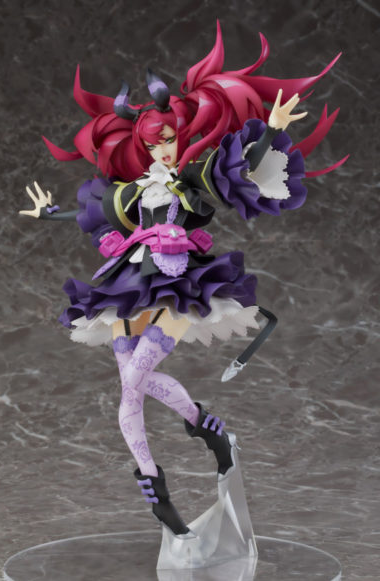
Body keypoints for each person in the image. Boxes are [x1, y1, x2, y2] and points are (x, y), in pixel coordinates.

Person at [19, 22, 345, 536]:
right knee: (130, 391)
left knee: (133, 383)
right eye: (155, 144)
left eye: (169, 140)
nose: (163, 151)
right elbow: (96, 212)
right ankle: (177, 465)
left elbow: (241, 168)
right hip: (128, 281)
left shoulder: (193, 178)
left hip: (178, 283)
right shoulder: (134, 189)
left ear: (181, 137)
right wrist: (49, 214)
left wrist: (272, 128)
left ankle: (192, 449)